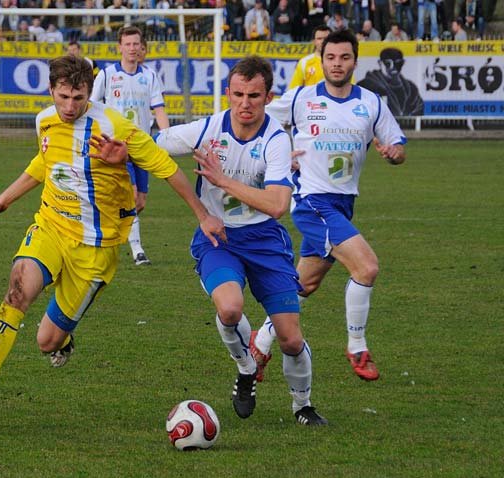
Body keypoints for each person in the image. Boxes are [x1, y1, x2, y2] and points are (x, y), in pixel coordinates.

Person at [0, 55, 225, 429]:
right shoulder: (44, 120)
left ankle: (62, 341)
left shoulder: (115, 127)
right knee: (16, 293)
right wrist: (3, 200)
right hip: (50, 226)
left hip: (95, 250)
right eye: (62, 97)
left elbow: (166, 168)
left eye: (77, 98)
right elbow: (45, 161)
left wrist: (202, 213)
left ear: (89, 92)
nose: (69, 106)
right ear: (51, 91)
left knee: (46, 341)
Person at [155, 56, 328, 426]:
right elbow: (155, 145)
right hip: (219, 238)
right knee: (230, 309)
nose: (244, 103)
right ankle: (247, 368)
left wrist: (223, 182)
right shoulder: (207, 129)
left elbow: (278, 204)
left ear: (267, 97)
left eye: (254, 95)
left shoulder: (277, 140)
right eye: (237, 94)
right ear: (227, 93)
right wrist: (123, 147)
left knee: (290, 340)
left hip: (266, 239)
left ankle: (303, 406)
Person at [259, 29, 406, 383]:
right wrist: (278, 155)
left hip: (342, 203)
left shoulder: (371, 102)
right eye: (330, 57)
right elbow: (252, 118)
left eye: (344, 57)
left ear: (355, 60)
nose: (337, 64)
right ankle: (357, 346)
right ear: (320, 60)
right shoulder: (300, 99)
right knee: (367, 268)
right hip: (310, 201)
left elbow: (398, 144)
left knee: (303, 285)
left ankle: (259, 343)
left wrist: (393, 153)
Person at [90, 26, 170, 266]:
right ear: (120, 47)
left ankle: (110, 225)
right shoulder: (107, 74)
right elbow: (92, 107)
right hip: (117, 147)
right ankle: (137, 250)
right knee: (131, 194)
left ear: (141, 47)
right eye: (128, 44)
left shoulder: (150, 76)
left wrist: (166, 138)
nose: (132, 48)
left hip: (141, 145)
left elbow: (159, 109)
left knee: (140, 201)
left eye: (136, 44)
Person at [357, 47, 424, 116]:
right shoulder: (366, 85)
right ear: (380, 63)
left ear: (403, 63)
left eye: (398, 63)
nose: (393, 67)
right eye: (388, 63)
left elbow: (419, 108)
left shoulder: (411, 88)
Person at [288, 25, 331, 89]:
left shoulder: (340, 62)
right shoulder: (304, 62)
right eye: (319, 39)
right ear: (314, 42)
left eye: (326, 38)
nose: (323, 41)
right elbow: (293, 91)